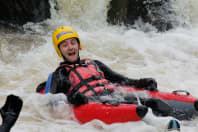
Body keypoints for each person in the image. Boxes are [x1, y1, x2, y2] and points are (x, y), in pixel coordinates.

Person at [36, 26, 158, 106]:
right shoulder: (61, 74)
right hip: (96, 103)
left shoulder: (95, 64)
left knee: (154, 103)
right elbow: (48, 101)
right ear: (59, 51)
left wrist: (142, 82)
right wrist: (71, 98)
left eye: (73, 43)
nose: (70, 47)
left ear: (79, 45)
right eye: (64, 45)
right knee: (143, 109)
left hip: (115, 96)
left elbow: (122, 80)